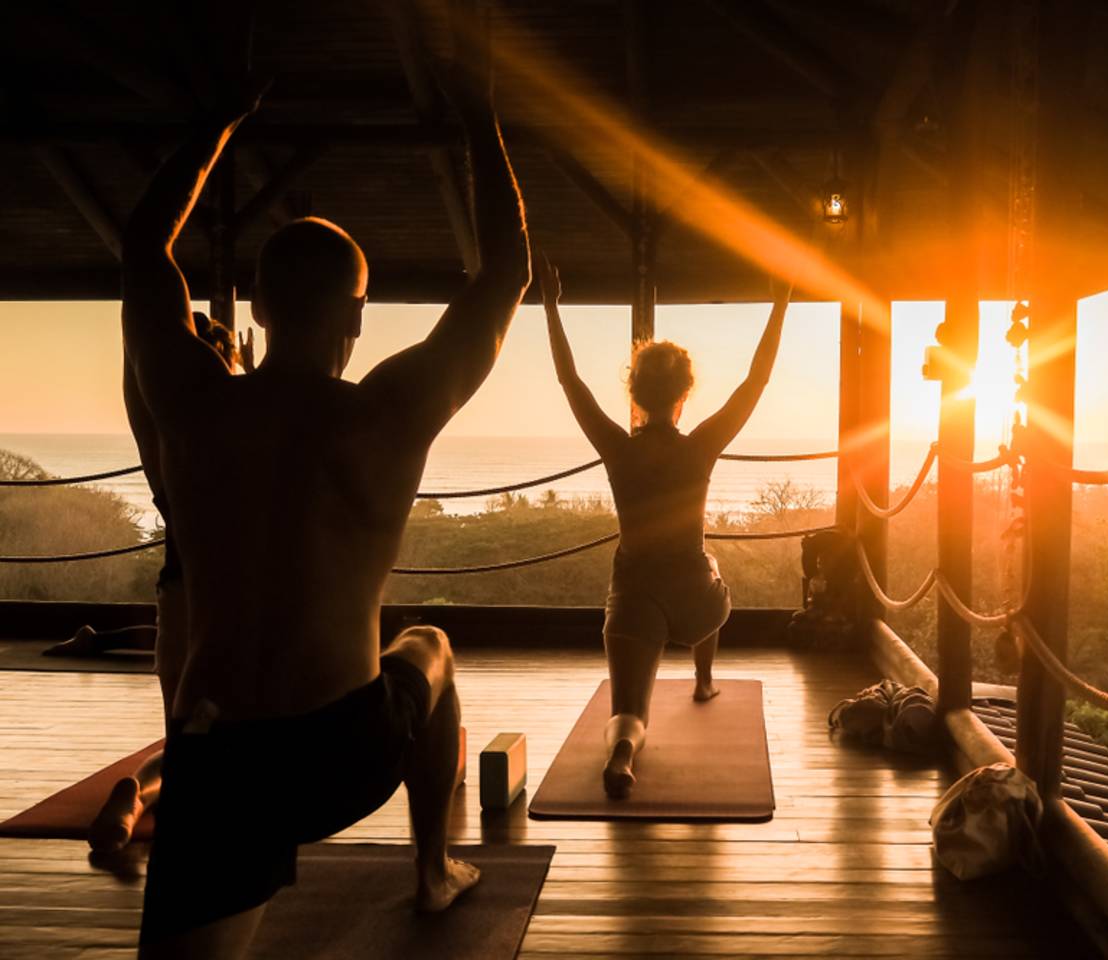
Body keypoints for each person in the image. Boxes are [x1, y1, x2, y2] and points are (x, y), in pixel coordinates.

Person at [122, 68, 529, 959]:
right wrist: (480, 119)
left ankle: (413, 871)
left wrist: (217, 117)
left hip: (217, 754)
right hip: (341, 751)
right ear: (357, 313)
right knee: (428, 647)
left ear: (259, 308)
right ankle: (432, 873)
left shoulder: (192, 402)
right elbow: (506, 273)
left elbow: (145, 251)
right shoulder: (386, 413)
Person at [540, 255, 790, 799]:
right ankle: (703, 681)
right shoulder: (699, 447)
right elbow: (757, 378)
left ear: (635, 396)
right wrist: (781, 301)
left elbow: (569, 379)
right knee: (712, 568)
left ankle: (624, 754)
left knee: (629, 711)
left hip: (633, 595)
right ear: (684, 397)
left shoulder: (616, 447)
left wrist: (552, 305)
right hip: (694, 599)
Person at [48, 313, 246, 855]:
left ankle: (137, 797)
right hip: (244, 603)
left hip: (179, 598)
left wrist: (142, 350)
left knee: (186, 748)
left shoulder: (165, 442)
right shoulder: (248, 430)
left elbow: (143, 378)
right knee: (250, 749)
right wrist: (247, 370)